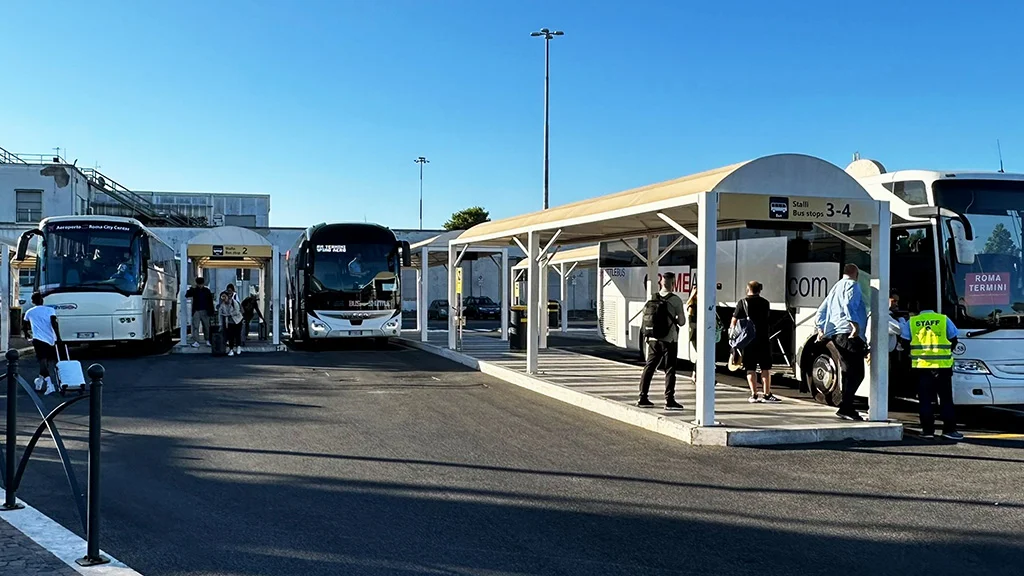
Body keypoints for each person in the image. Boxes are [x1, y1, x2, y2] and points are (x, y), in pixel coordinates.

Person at [901, 301, 963, 440]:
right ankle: (949, 430)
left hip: (921, 367)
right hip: (943, 366)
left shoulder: (912, 322)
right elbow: (954, 340)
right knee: (946, 399)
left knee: (925, 400)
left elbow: (904, 342)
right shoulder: (943, 319)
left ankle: (927, 431)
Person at [814, 264, 868, 421]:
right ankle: (846, 407)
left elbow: (821, 310)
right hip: (848, 334)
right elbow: (849, 305)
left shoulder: (835, 287)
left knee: (847, 372)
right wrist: (855, 326)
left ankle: (847, 407)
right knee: (857, 373)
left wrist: (821, 328)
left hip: (836, 335)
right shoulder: (852, 285)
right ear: (856, 274)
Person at [636, 272, 685, 410]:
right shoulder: (675, 300)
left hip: (652, 339)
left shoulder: (652, 297)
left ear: (661, 283)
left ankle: (642, 397)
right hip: (669, 340)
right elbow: (681, 322)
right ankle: (669, 400)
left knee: (649, 367)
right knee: (670, 369)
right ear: (673, 283)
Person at [731, 281, 779, 403]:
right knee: (765, 368)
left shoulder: (742, 303)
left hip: (748, 341)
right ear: (759, 290)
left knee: (750, 368)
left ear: (748, 289)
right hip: (763, 340)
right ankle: (767, 395)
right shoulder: (765, 303)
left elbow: (734, 322)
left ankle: (754, 395)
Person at [22, 293, 59, 395]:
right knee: (47, 362)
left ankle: (48, 383)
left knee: (42, 362)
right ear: (42, 300)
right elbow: (54, 324)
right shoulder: (50, 310)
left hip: (38, 339)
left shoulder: (29, 312)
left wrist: (26, 335)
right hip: (51, 340)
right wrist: (58, 337)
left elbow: (24, 326)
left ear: (33, 301)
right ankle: (41, 381)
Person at [185, 277, 215, 347]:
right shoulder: (195, 290)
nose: (200, 285)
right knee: (196, 326)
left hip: (204, 310)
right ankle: (197, 341)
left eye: (201, 284)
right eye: (199, 284)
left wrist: (211, 311)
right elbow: (187, 295)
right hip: (197, 310)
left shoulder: (207, 291)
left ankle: (207, 340)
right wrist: (191, 289)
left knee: (206, 326)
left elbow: (210, 302)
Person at [218, 291, 244, 356]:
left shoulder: (234, 302)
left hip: (237, 320)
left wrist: (229, 314)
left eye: (225, 296)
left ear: (228, 296)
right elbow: (220, 315)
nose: (223, 298)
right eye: (222, 297)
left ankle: (238, 347)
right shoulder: (222, 305)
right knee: (230, 336)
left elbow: (237, 312)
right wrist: (220, 324)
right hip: (229, 322)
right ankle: (231, 349)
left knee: (237, 334)